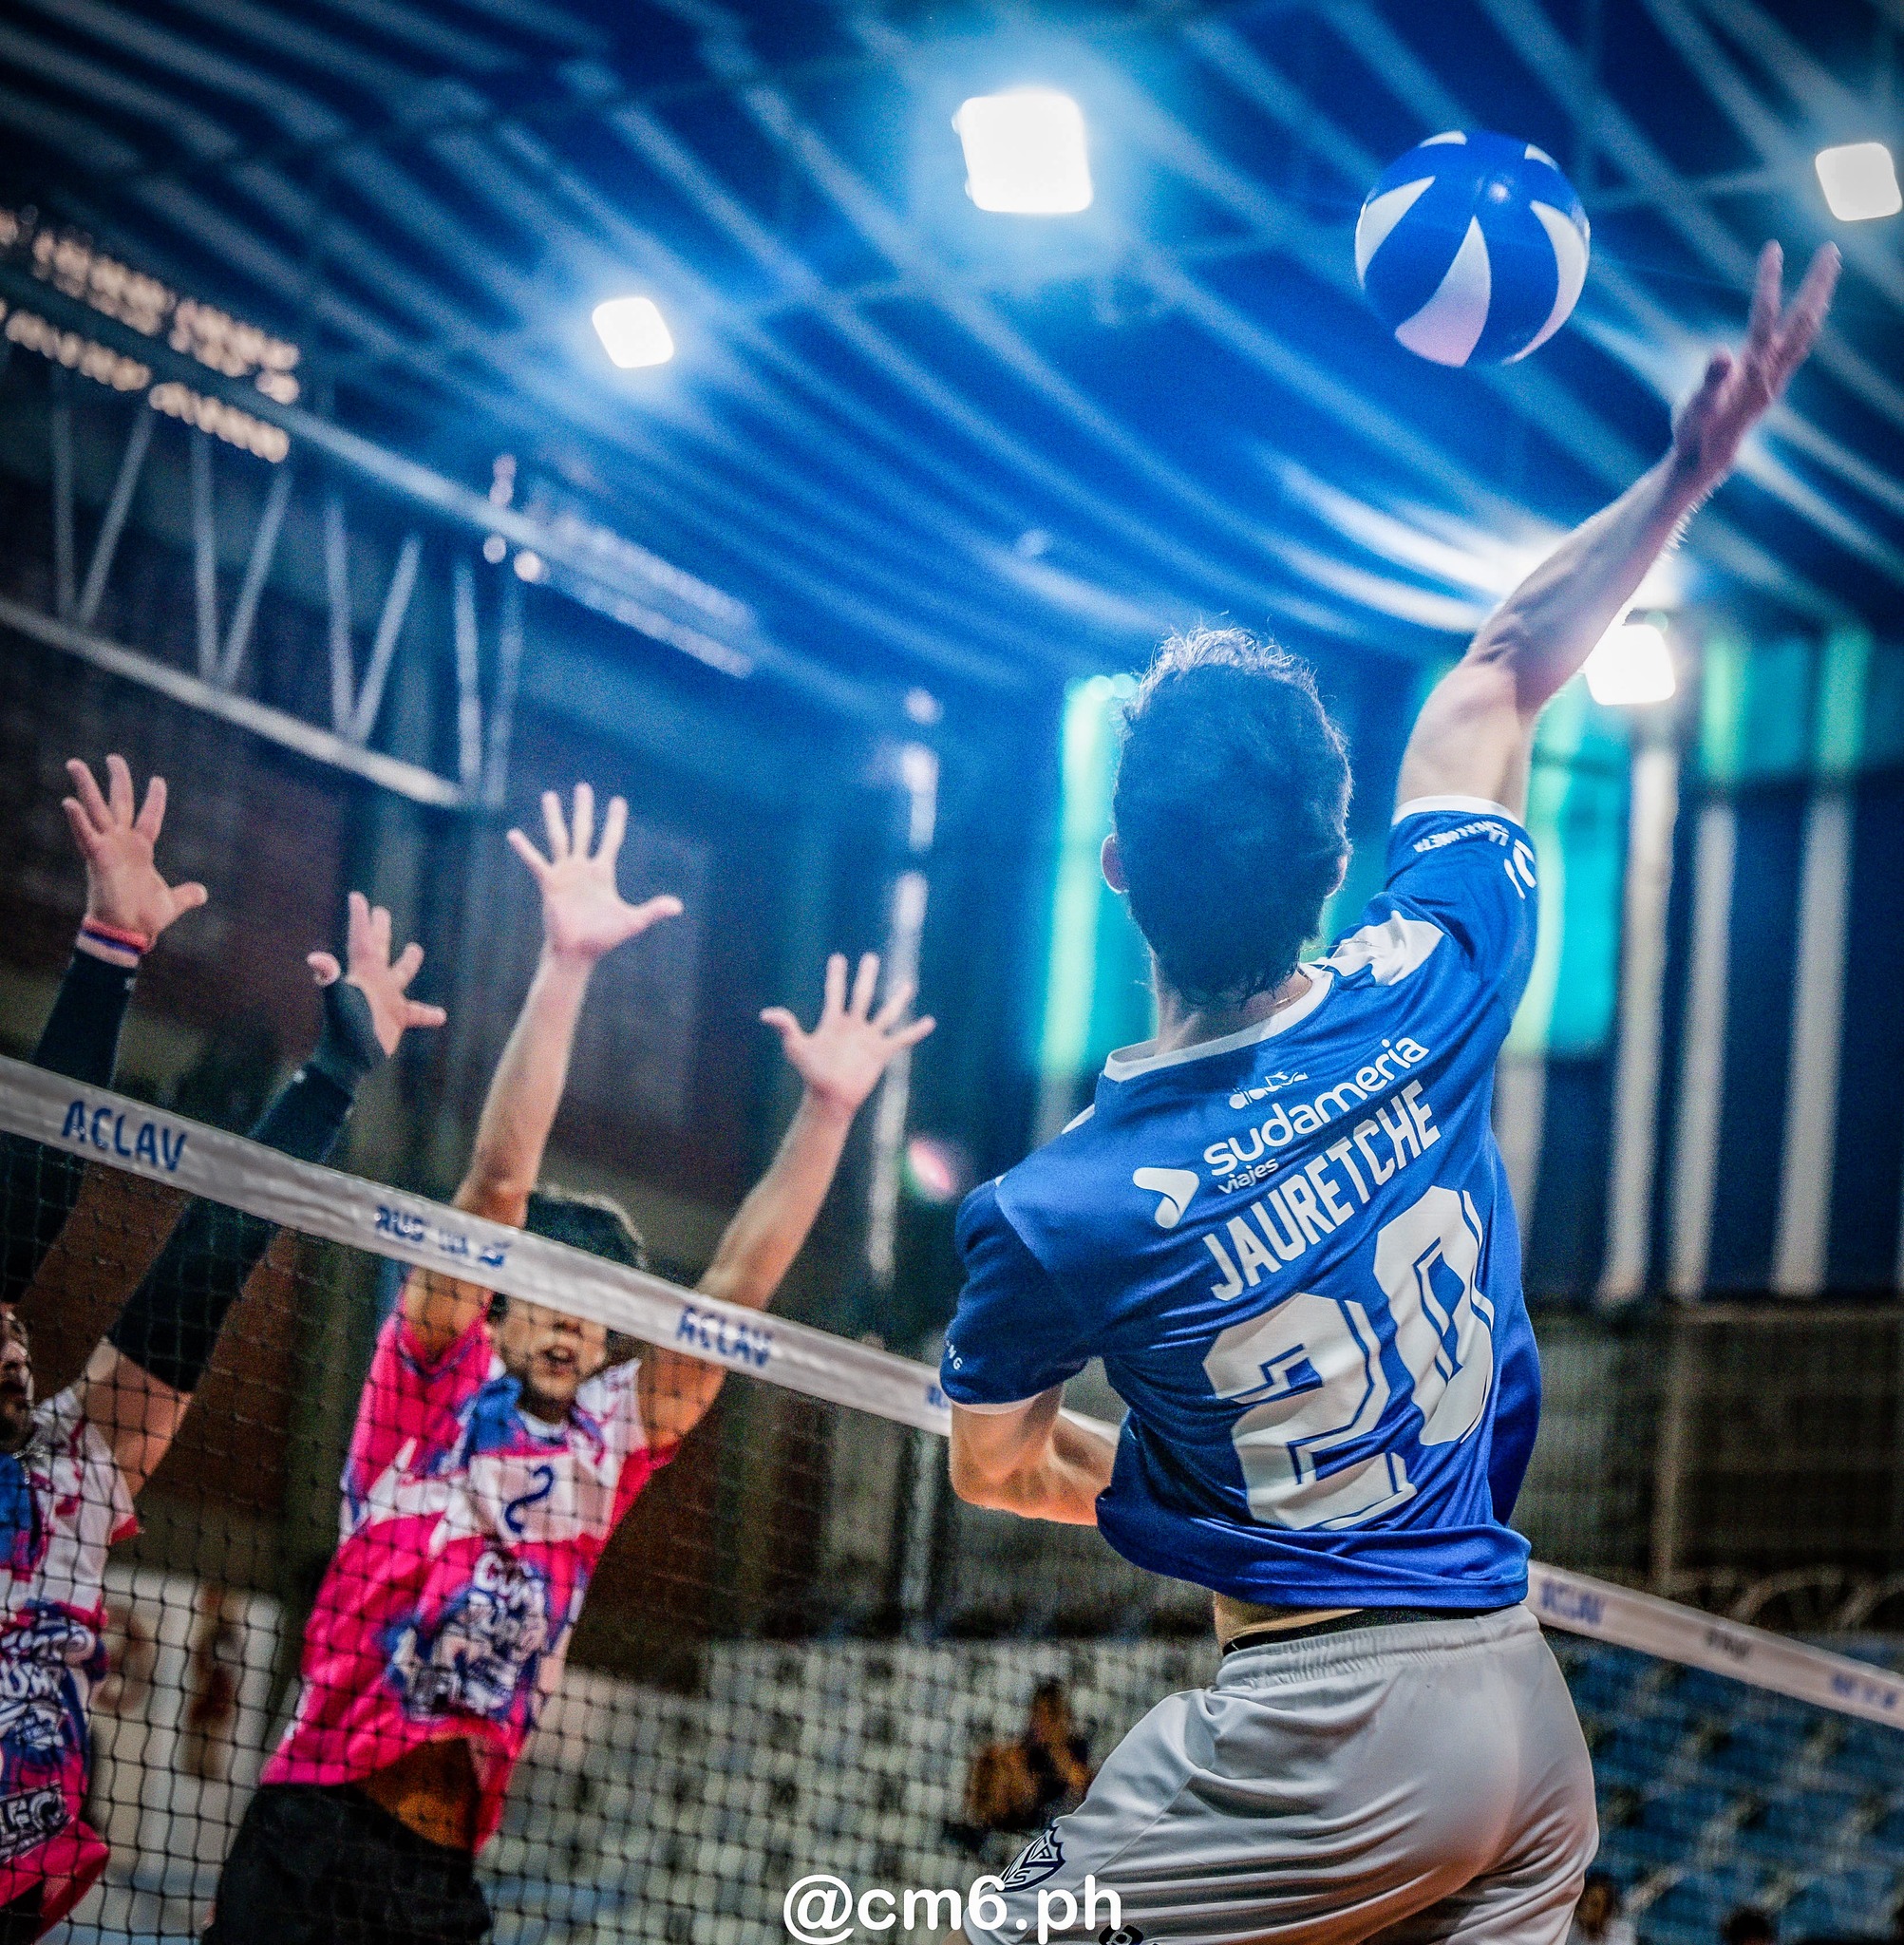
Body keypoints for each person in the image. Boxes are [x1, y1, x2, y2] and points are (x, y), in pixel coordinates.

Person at [938, 239, 1838, 1945]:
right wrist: (1687, 471)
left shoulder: (1054, 1212)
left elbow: (995, 1468)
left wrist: (1191, 1480)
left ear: (1117, 869)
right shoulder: (1430, 978)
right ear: (1332, 861)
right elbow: (1502, 664)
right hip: (1519, 1710)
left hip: (1318, 1736)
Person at [206, 783, 934, 1944]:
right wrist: (567, 962)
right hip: (312, 1830)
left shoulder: (610, 1445)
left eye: (593, 1314)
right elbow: (496, 1186)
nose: (568, 1325)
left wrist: (829, 1113)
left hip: (441, 1878)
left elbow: (733, 1294)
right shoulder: (422, 1389)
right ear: (496, 1312)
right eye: (545, 1297)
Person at [0, 757, 443, 1942]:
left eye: (13, 1328)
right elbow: (28, 1197)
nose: (12, 1333)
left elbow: (205, 1269)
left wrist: (333, 1078)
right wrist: (105, 958)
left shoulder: (64, 1481)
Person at [951, 1678, 1096, 1855]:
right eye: (1038, 1714)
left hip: (1056, 1822)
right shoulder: (1029, 1749)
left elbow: (1078, 1783)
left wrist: (1055, 1745)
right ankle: (978, 1831)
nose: (1040, 1721)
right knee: (994, 1758)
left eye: (1048, 1715)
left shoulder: (1076, 1746)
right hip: (1022, 1820)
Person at [1568, 1872, 1636, 1945]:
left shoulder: (1622, 1932)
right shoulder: (1571, 1928)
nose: (1586, 1907)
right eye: (1584, 1901)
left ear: (1606, 1911)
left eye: (1594, 1904)